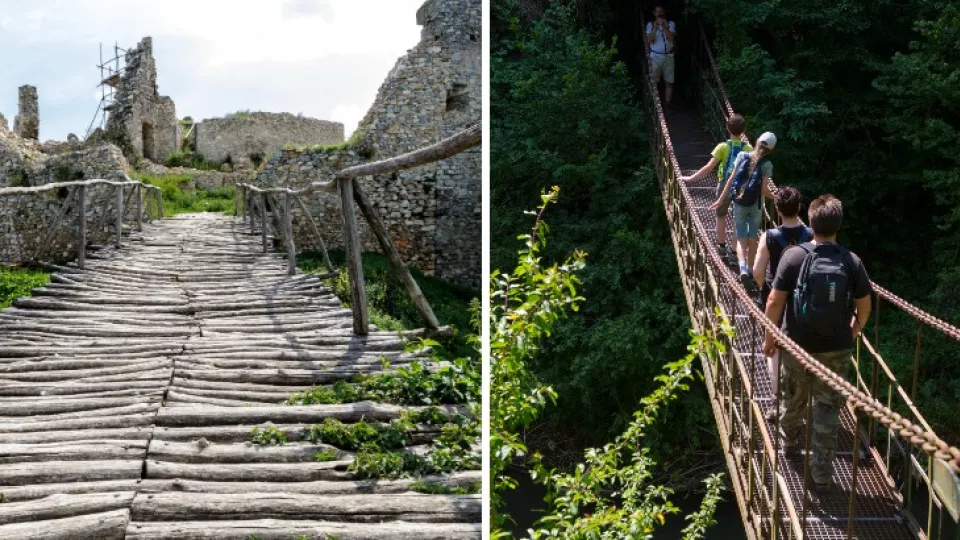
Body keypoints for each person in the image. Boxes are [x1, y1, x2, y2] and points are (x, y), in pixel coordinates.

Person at [761, 194, 873, 493]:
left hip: (796, 346)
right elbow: (864, 308)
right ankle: (822, 475)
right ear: (838, 224)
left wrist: (769, 339)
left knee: (793, 397)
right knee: (827, 408)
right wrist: (852, 333)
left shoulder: (793, 255)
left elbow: (774, 301)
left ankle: (790, 443)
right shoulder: (851, 261)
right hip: (836, 347)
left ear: (810, 222)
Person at [752, 186, 811, 400]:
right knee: (801, 345)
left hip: (775, 296)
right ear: (799, 208)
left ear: (777, 209)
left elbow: (758, 272)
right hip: (804, 299)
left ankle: (777, 393)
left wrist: (763, 288)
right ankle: (801, 392)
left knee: (774, 347)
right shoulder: (812, 235)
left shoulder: (769, 236)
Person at [709, 131, 776, 290]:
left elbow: (730, 180)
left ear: (757, 140)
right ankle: (751, 272)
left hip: (739, 203)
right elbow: (764, 190)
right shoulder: (767, 164)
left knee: (740, 236)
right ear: (772, 150)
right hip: (756, 206)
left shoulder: (742, 156)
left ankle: (743, 267)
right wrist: (777, 196)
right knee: (753, 237)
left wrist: (720, 200)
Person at [681, 113, 751, 264]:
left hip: (723, 186)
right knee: (737, 220)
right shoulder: (749, 148)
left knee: (721, 216)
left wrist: (691, 178)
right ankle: (733, 253)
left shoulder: (723, 147)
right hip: (741, 189)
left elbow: (709, 167)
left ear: (727, 128)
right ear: (743, 130)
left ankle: (721, 247)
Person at [645, 5, 676, 107]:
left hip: (669, 57)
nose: (660, 14)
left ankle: (668, 105)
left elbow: (670, 37)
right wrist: (655, 27)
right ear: (654, 13)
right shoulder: (649, 25)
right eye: (657, 12)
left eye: (661, 12)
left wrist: (663, 26)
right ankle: (655, 105)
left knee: (669, 82)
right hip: (655, 57)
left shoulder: (670, 24)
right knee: (654, 83)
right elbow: (649, 40)